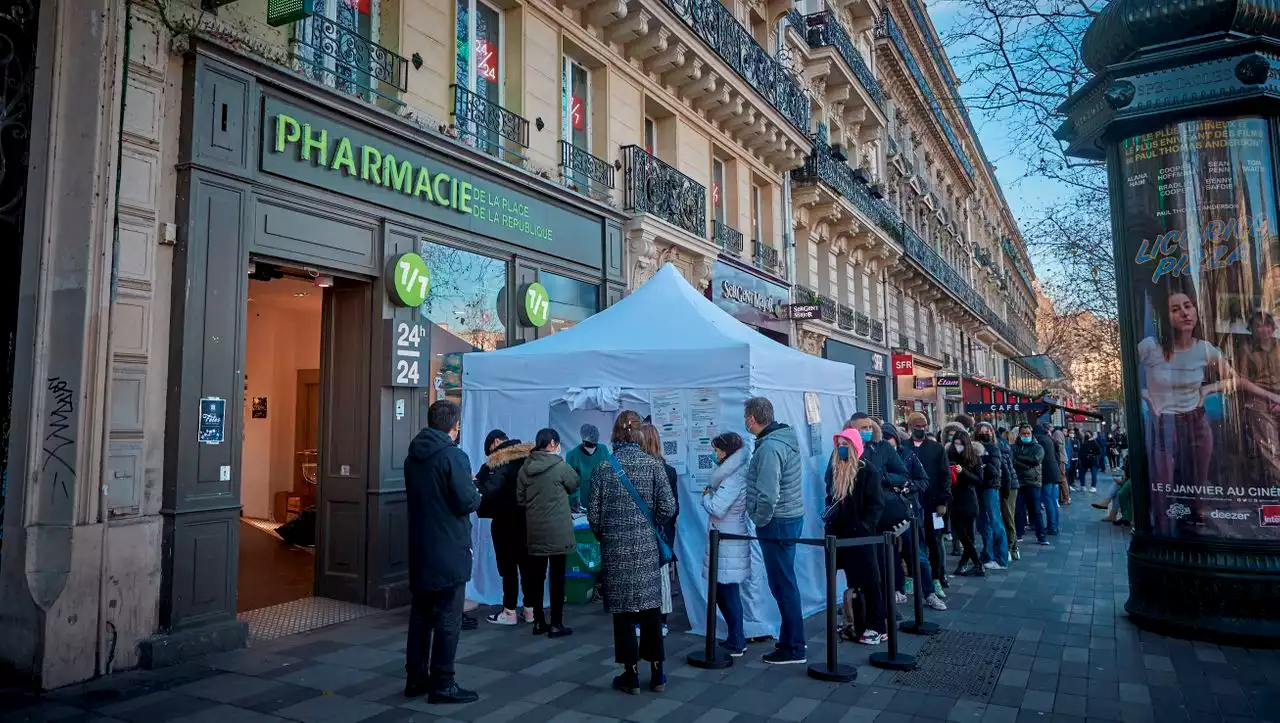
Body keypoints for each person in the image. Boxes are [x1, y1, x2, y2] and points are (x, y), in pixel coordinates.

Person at [588, 411, 677, 695]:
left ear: (615, 433)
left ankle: (631, 674)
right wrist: (649, 526)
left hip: (616, 549)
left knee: (623, 613)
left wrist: (608, 533)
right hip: (646, 548)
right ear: (639, 433)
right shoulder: (653, 465)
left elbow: (594, 515)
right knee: (651, 608)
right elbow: (668, 507)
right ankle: (658, 673)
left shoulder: (604, 467)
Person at [403, 400, 482, 704]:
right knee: (449, 619)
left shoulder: (413, 457)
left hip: (421, 546)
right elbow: (466, 501)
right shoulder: (453, 456)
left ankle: (416, 678)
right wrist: (477, 493)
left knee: (421, 616)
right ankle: (443, 683)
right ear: (454, 425)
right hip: (449, 547)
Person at [742, 396, 806, 665]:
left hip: (777, 521)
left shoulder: (769, 448)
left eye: (746, 415)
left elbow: (768, 493)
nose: (744, 420)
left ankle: (794, 647)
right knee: (785, 584)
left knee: (783, 585)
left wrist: (759, 518)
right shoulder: (782, 440)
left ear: (753, 418)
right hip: (788, 517)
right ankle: (790, 641)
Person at [517, 428, 579, 639]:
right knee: (557, 578)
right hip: (558, 531)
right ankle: (556, 623)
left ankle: (538, 621)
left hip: (534, 530)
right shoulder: (560, 466)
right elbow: (574, 483)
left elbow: (520, 499)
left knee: (536, 577)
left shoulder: (525, 468)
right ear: (552, 443)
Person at [825, 428, 886, 644]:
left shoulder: (867, 471)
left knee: (870, 581)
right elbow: (830, 496)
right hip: (842, 534)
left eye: (845, 443)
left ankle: (877, 626)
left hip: (861, 536)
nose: (841, 448)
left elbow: (876, 505)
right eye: (839, 443)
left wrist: (865, 527)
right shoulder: (836, 470)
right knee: (854, 581)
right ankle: (857, 624)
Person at [845, 414, 910, 603]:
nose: (865, 431)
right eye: (861, 428)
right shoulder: (845, 447)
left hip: (880, 511)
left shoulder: (882, 447)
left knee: (882, 559)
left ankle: (887, 600)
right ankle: (860, 605)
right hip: (854, 513)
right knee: (859, 562)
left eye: (868, 427)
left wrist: (880, 478)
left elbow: (902, 474)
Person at [882, 423, 946, 611]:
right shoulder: (876, 456)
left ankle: (929, 592)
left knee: (918, 554)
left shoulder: (908, 454)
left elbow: (924, 480)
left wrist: (907, 486)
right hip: (885, 514)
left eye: (890, 441)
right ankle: (897, 589)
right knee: (891, 554)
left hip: (908, 511)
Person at [476, 430, 534, 626]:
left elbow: (489, 491)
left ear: (495, 442)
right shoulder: (529, 458)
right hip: (529, 519)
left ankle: (509, 611)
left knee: (508, 567)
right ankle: (530, 610)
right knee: (527, 566)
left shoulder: (498, 463)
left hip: (505, 521)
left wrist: (476, 483)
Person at [701, 432, 751, 657]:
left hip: (727, 541)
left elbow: (718, 508)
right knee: (725, 592)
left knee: (727, 593)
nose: (714, 453)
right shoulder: (733, 475)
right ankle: (735, 637)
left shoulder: (732, 478)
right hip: (727, 540)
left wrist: (705, 497)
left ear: (727, 452)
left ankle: (737, 639)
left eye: (717, 449)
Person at [905, 411, 951, 599]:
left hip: (933, 504)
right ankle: (914, 577)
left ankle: (937, 577)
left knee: (935, 540)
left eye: (924, 425)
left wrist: (943, 502)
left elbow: (945, 476)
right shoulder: (903, 447)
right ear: (910, 427)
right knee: (912, 542)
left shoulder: (936, 448)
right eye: (917, 426)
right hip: (911, 504)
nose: (921, 429)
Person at [640, 423, 679, 637]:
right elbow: (674, 507)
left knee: (641, 577)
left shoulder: (633, 470)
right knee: (662, 577)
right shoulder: (669, 470)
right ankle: (661, 622)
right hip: (662, 531)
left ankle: (642, 620)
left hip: (643, 532)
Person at [945, 427, 988, 577]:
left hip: (968, 499)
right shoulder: (949, 455)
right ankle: (975, 564)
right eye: (955, 443)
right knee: (963, 535)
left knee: (968, 535)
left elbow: (979, 480)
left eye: (960, 443)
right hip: (954, 499)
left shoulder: (974, 458)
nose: (957, 446)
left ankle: (973, 564)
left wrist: (963, 471)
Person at [1242, 311, 1280, 480]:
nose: (1264, 329)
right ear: (1252, 330)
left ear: (1273, 327)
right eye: (1258, 326)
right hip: (1259, 401)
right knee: (1271, 451)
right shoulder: (1246, 350)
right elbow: (1242, 381)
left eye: (1267, 325)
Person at [973, 422, 1010, 570]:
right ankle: (988, 554)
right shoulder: (973, 447)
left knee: (995, 521)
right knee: (983, 524)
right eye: (981, 431)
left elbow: (994, 469)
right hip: (978, 487)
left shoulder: (994, 448)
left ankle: (1001, 558)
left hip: (990, 487)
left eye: (986, 431)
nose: (984, 433)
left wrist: (983, 464)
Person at [1012, 423, 1048, 546]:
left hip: (1033, 481)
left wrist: (1020, 459)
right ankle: (1018, 533)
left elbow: (1036, 460)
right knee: (1018, 509)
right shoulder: (1014, 447)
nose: (1026, 436)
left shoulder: (1038, 447)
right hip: (1019, 481)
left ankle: (1041, 535)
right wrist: (1026, 463)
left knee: (1036, 510)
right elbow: (1013, 460)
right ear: (1019, 434)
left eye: (1028, 433)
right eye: (1024, 434)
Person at [566, 424, 611, 510]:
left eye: (595, 445)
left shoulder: (603, 450)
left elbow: (610, 473)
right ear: (583, 441)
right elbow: (571, 483)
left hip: (602, 501)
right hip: (581, 504)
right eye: (590, 445)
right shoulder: (572, 455)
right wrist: (574, 501)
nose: (592, 447)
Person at [995, 426, 1021, 561]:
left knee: (1008, 517)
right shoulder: (1003, 447)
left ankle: (1012, 548)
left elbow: (1006, 472)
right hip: (1006, 485)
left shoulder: (1000, 448)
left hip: (1008, 486)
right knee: (1007, 517)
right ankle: (1011, 547)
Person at [1034, 422, 1062, 535]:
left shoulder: (1039, 439)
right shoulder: (1049, 439)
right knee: (1052, 500)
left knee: (1048, 500)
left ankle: (1052, 527)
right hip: (1054, 471)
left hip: (1046, 472)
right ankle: (1054, 525)